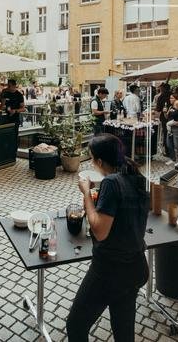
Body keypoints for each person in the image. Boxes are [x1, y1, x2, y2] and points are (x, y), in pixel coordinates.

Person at [66, 134, 148, 342]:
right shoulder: (137, 177)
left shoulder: (111, 183)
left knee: (75, 325)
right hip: (136, 267)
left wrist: (86, 193)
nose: (92, 163)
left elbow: (100, 231)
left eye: (92, 159)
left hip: (111, 270)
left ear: (100, 161)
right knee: (123, 329)